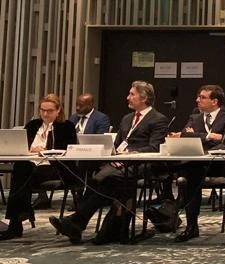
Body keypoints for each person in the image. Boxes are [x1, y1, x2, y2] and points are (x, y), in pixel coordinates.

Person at [51, 81, 170, 244]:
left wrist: (128, 155)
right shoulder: (127, 119)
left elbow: (154, 147)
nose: (127, 97)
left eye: (132, 94)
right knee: (96, 179)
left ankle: (77, 223)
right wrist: (114, 155)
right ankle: (84, 225)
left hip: (143, 163)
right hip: (119, 163)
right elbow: (117, 144)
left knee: (108, 179)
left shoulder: (158, 119)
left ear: (144, 98)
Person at [165, 84, 225, 242]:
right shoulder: (194, 118)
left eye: (203, 97)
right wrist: (210, 136)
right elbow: (184, 136)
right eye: (198, 97)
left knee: (189, 172)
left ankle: (181, 211)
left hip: (219, 165)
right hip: (196, 163)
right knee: (192, 173)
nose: (197, 100)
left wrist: (197, 136)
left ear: (215, 101)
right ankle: (192, 226)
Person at [0, 94, 76, 240]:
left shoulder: (67, 127)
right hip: (31, 165)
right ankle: (18, 219)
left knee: (21, 174)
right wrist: (29, 150)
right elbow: (21, 145)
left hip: (54, 168)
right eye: (43, 110)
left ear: (58, 111)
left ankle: (16, 222)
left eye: (50, 111)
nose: (45, 114)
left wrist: (45, 149)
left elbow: (68, 150)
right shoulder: (32, 125)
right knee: (22, 170)